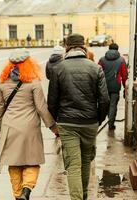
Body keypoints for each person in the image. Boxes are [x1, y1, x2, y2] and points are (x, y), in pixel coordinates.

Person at [47, 33, 110, 200]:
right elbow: (104, 100)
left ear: (67, 47)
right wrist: (98, 119)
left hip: (67, 123)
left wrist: (57, 120)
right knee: (85, 162)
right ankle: (83, 195)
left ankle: (78, 198)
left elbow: (52, 101)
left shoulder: (58, 68)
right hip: (90, 122)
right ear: (84, 47)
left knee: (73, 164)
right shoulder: (95, 68)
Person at [0, 48, 58, 200]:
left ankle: (17, 195)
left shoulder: (3, 83)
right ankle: (26, 190)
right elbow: (41, 107)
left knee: (14, 163)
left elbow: (0, 107)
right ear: (29, 64)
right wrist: (52, 126)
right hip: (29, 127)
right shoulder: (33, 82)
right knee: (32, 161)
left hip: (9, 126)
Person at [98, 43, 127, 130]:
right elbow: (124, 75)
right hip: (115, 86)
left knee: (104, 103)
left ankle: (104, 119)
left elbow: (97, 71)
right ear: (117, 49)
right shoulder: (121, 60)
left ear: (109, 48)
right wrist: (125, 87)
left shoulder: (102, 59)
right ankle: (111, 123)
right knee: (113, 105)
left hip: (103, 86)